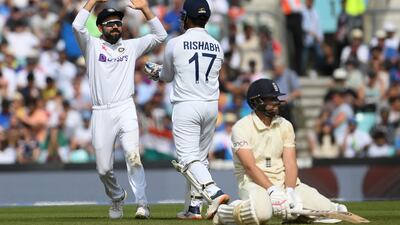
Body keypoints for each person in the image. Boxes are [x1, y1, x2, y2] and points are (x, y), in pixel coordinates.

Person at [72, 0, 167, 219]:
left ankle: (142, 203)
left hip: (125, 107)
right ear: (100, 27)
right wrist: (92, 1)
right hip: (101, 111)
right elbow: (77, 26)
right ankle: (116, 196)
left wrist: (145, 9)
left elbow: (161, 36)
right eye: (110, 24)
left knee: (133, 156)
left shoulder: (131, 46)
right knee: (103, 169)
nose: (115, 27)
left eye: (118, 23)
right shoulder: (91, 45)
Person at [213, 79, 348, 224]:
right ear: (256, 101)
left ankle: (299, 216)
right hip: (253, 183)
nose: (276, 102)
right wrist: (272, 191)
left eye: (276, 98)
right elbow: (249, 167)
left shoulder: (285, 125)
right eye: (271, 98)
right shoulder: (241, 127)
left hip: (284, 183)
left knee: (329, 212)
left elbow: (290, 163)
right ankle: (224, 213)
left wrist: (289, 191)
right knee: (262, 214)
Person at [144, 0, 229, 220]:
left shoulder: (175, 43)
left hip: (187, 104)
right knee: (200, 158)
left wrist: (155, 73)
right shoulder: (217, 45)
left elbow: (168, 76)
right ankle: (193, 208)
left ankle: (213, 191)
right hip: (211, 106)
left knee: (186, 158)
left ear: (187, 18)